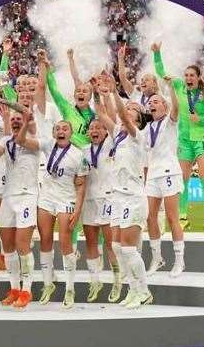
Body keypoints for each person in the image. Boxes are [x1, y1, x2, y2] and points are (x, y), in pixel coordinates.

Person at [93, 75, 153, 309]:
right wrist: (99, 91)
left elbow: (123, 116)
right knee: (117, 247)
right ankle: (132, 290)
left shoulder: (138, 135)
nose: (127, 110)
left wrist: (115, 92)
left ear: (139, 119)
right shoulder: (118, 132)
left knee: (128, 248)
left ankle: (144, 291)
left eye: (132, 108)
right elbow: (99, 113)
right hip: (117, 196)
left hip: (132, 197)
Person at [152, 43, 204, 234]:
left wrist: (201, 119)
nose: (188, 78)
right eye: (187, 75)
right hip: (184, 140)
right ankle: (183, 218)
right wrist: (157, 53)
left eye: (192, 75)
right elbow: (161, 72)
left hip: (203, 139)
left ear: (198, 77)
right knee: (183, 180)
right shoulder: (179, 86)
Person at [0, 109, 41, 309]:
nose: (16, 121)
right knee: (7, 246)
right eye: (13, 119)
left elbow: (22, 141)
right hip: (8, 196)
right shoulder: (5, 140)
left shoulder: (35, 138)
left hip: (27, 196)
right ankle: (14, 289)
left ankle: (27, 290)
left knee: (22, 245)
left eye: (20, 119)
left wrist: (25, 122)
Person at [36, 120, 89, 309]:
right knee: (45, 241)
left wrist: (78, 209)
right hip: (46, 198)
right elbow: (28, 142)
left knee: (65, 243)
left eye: (65, 128)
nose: (61, 131)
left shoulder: (78, 155)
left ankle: (70, 288)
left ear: (71, 132)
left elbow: (81, 186)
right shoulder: (47, 145)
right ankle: (47, 284)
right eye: (57, 128)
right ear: (53, 132)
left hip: (67, 199)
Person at [144, 81, 185, 278]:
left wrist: (170, 89)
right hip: (152, 174)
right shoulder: (147, 128)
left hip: (169, 172)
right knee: (150, 217)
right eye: (150, 102)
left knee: (171, 217)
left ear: (164, 106)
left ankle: (179, 261)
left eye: (156, 101)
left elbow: (176, 107)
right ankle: (157, 258)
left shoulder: (170, 120)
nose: (152, 104)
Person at [81, 116, 121, 303]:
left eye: (99, 127)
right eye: (92, 128)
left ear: (106, 131)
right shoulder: (83, 151)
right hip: (89, 199)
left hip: (107, 197)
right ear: (88, 132)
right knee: (90, 242)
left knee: (110, 243)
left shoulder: (111, 146)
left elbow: (114, 125)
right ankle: (95, 281)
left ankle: (117, 280)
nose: (95, 130)